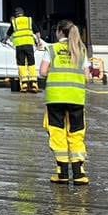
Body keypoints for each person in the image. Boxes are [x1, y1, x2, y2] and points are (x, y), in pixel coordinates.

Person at [39, 20, 90, 184]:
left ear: (60, 32)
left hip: (56, 98)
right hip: (76, 97)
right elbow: (87, 76)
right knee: (76, 133)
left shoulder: (52, 49)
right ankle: (79, 173)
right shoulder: (81, 49)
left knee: (57, 133)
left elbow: (42, 72)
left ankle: (62, 173)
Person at [7, 7, 40, 92]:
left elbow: (8, 33)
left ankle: (24, 84)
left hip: (19, 46)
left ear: (16, 14)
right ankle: (34, 84)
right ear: (23, 13)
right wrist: (38, 42)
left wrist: (4, 40)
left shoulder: (14, 22)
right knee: (31, 63)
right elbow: (37, 32)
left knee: (21, 64)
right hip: (29, 45)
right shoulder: (29, 20)